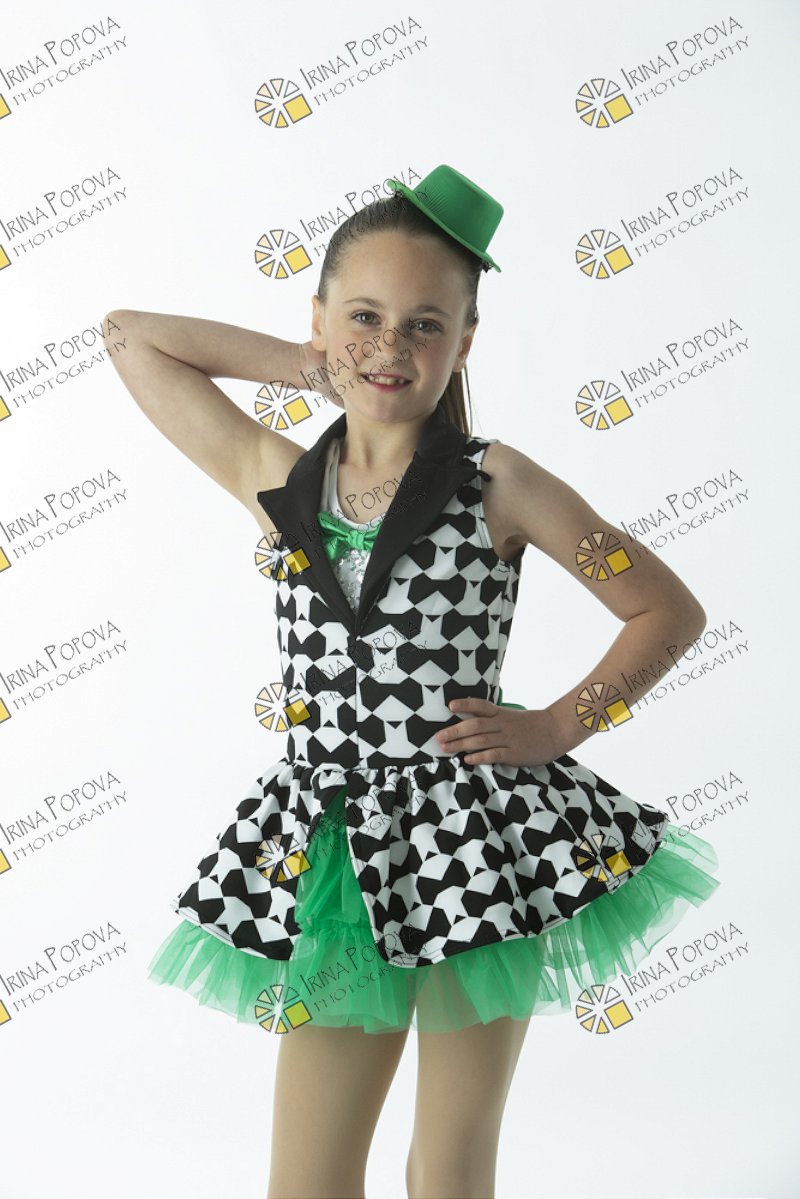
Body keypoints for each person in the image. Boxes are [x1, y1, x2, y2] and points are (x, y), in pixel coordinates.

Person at [104, 164, 721, 1199]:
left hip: (475, 845)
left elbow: (665, 609)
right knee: (305, 1178)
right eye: (364, 317)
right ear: (318, 320)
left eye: (424, 324)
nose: (390, 346)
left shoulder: (501, 483)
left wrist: (556, 726)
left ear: (465, 341)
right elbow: (131, 336)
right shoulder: (277, 479)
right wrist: (312, 368)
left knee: (448, 1165)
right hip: (337, 857)